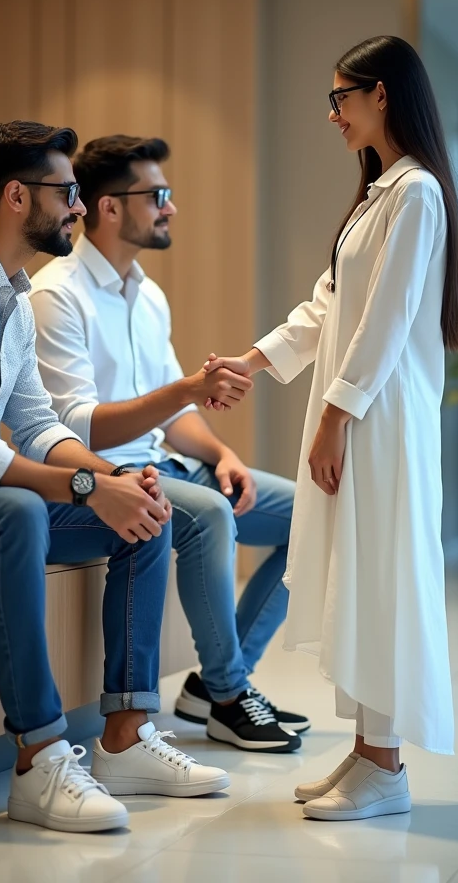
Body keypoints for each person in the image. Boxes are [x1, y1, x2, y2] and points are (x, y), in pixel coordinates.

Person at [0, 121, 230, 835]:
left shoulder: (9, 295)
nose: (78, 206)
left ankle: (127, 737)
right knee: (17, 511)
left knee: (144, 506)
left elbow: (38, 422)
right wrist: (80, 488)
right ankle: (38, 759)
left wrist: (112, 476)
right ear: (16, 196)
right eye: (67, 192)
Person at [204, 36, 458, 820]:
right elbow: (328, 306)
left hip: (379, 422)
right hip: (363, 414)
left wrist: (332, 420)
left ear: (381, 95)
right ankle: (364, 755)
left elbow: (384, 324)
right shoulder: (382, 193)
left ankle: (385, 766)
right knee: (359, 579)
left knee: (381, 579)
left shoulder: (417, 194)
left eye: (340, 100)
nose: (332, 116)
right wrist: (253, 362)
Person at [29, 134, 309, 755]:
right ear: (108, 207)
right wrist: (185, 390)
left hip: (167, 462)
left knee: (313, 515)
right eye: (158, 195)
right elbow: (81, 427)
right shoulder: (56, 295)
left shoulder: (147, 294)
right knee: (208, 514)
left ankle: (214, 688)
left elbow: (173, 415)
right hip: (106, 477)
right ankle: (231, 695)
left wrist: (222, 454)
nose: (170, 207)